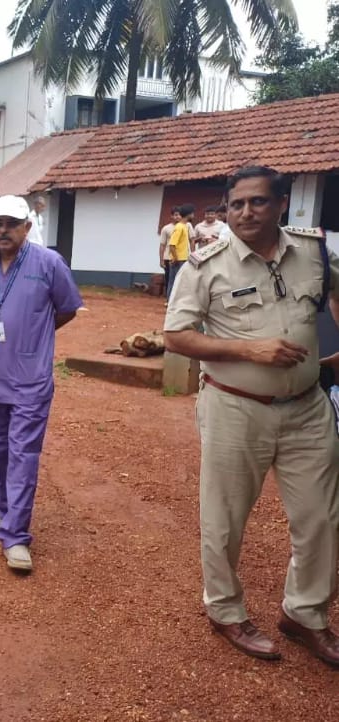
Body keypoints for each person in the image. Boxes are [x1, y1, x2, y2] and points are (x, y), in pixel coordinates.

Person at [165, 165, 339, 667]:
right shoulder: (207, 264)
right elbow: (177, 335)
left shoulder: (314, 251)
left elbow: (336, 292)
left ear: (281, 203)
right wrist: (251, 350)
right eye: (237, 204)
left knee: (323, 517)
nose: (246, 212)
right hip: (234, 408)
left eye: (258, 202)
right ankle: (224, 610)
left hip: (308, 408)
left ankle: (305, 613)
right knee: (224, 520)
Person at [0, 195, 82, 573]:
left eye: (11, 223)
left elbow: (67, 307)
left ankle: (16, 535)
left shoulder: (49, 263)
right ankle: (4, 512)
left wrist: (38, 336)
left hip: (30, 378)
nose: (2, 230)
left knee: (23, 454)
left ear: (27, 227)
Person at [166, 205, 192, 299]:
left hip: (183, 258)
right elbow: (172, 244)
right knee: (174, 282)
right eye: (192, 213)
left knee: (178, 282)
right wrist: (175, 258)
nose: (193, 216)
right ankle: (170, 302)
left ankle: (173, 302)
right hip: (178, 259)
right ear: (189, 214)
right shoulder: (179, 227)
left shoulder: (185, 226)